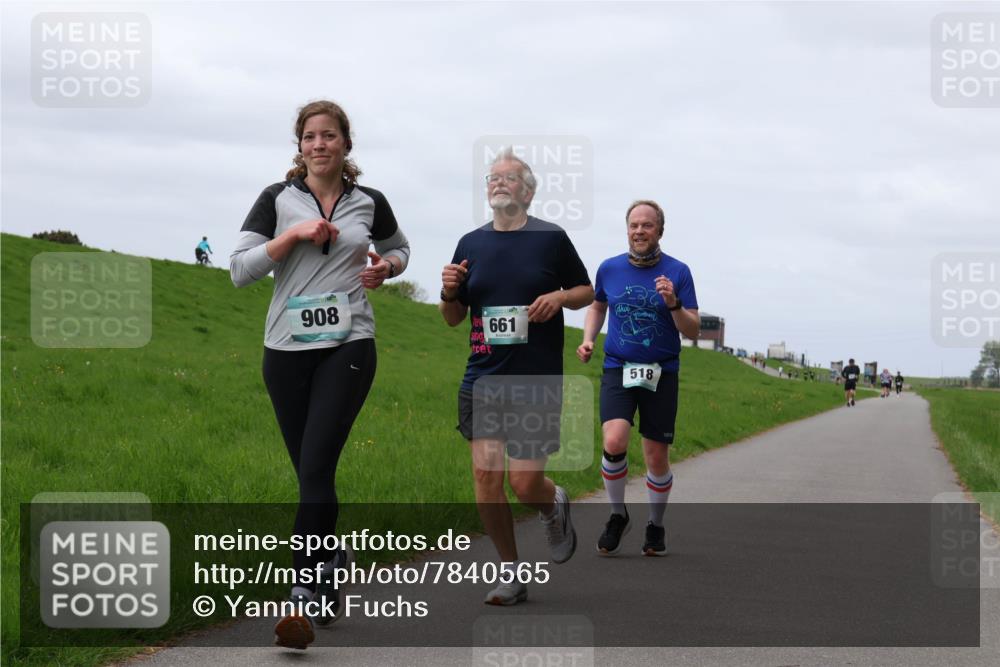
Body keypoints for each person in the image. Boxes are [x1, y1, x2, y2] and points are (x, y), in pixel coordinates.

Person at [230, 100, 410, 649]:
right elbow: (239, 270)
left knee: (315, 467)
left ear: (345, 144)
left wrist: (386, 267)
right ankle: (331, 557)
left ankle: (302, 596)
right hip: (285, 348)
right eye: (310, 136)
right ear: (300, 146)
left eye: (329, 135)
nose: (319, 144)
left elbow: (399, 249)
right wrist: (292, 237)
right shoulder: (276, 199)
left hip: (348, 343)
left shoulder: (369, 202)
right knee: (312, 475)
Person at [439, 148, 593, 605]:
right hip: (483, 377)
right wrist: (448, 291)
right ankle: (510, 572)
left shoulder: (551, 238)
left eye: (508, 178)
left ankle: (553, 503)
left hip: (535, 379)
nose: (497, 183)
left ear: (528, 192)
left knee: (524, 485)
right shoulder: (470, 243)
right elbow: (453, 317)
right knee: (486, 478)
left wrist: (559, 298)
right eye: (492, 178)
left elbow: (586, 291)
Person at [577, 200, 699, 557]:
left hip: (662, 371)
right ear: (627, 229)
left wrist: (674, 303)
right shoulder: (610, 268)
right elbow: (598, 305)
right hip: (618, 366)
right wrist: (588, 339)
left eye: (647, 225)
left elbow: (692, 329)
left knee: (655, 456)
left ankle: (655, 525)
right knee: (614, 440)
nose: (640, 231)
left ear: (660, 230)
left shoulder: (679, 272)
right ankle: (618, 515)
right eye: (634, 225)